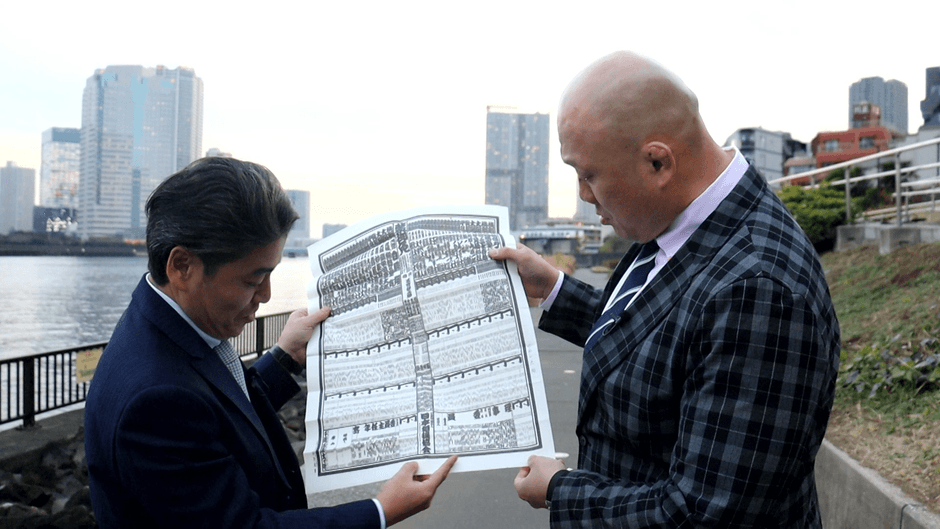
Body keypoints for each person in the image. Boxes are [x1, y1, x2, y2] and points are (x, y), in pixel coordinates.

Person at [490, 51, 840, 527]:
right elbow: (660, 337)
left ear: (657, 162)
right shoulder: (684, 221)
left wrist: (560, 491)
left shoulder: (759, 291)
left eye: (588, 175)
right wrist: (552, 287)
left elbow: (703, 513)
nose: (584, 196)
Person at [84, 157, 456, 528]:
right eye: (253, 280)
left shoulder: (165, 327)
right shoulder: (156, 402)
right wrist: (381, 510)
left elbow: (222, 407)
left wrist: (285, 356)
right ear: (182, 266)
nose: (265, 295)